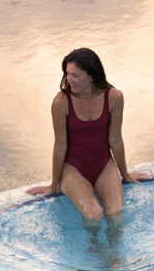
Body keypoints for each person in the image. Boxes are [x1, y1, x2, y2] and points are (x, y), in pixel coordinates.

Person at [28, 48, 144, 224]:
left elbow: (115, 139)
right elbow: (60, 145)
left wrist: (125, 174)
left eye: (75, 75)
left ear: (91, 75)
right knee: (94, 214)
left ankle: (115, 252)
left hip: (103, 164)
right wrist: (53, 184)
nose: (69, 80)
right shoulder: (61, 102)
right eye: (67, 74)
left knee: (115, 213)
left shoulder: (114, 97)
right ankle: (94, 250)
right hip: (72, 168)